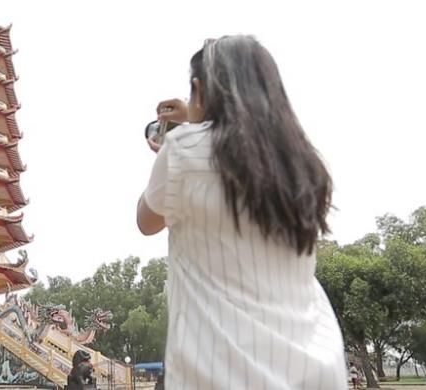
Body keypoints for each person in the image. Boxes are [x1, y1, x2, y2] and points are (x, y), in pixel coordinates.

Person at [137, 35, 347, 389]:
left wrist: (180, 136)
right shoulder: (305, 163)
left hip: (221, 373)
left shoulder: (182, 149)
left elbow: (147, 220)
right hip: (315, 371)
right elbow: (241, 145)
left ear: (197, 89)